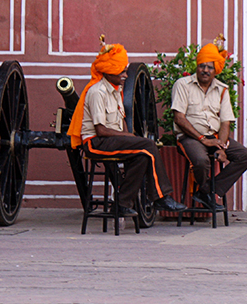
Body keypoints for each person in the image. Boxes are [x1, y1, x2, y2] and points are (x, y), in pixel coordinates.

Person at [68, 38, 186, 214]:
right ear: (110, 71)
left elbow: (120, 123)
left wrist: (128, 138)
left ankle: (122, 204)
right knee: (147, 145)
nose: (125, 76)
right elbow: (100, 130)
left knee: (142, 157)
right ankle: (161, 198)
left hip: (109, 140)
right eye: (122, 72)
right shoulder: (97, 92)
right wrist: (129, 137)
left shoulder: (116, 91)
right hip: (95, 143)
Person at [171, 39, 247, 210]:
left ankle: (207, 191)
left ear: (216, 70)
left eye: (210, 67)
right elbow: (179, 118)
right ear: (197, 66)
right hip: (190, 138)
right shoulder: (182, 85)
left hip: (215, 137)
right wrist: (203, 139)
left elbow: (225, 122)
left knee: (246, 156)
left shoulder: (222, 89)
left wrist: (221, 148)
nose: (205, 70)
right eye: (202, 66)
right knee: (201, 161)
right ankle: (206, 192)